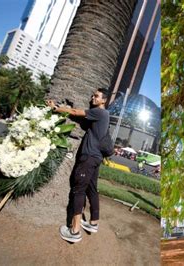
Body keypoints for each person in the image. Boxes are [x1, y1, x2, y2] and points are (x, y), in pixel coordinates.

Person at [46, 88, 110, 243]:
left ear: (104, 100)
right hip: (96, 158)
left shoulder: (100, 112)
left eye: (96, 96)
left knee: (78, 190)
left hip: (88, 158)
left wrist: (55, 108)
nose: (92, 97)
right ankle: (93, 222)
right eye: (92, 95)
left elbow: (74, 111)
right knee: (91, 188)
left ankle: (74, 231)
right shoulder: (103, 115)